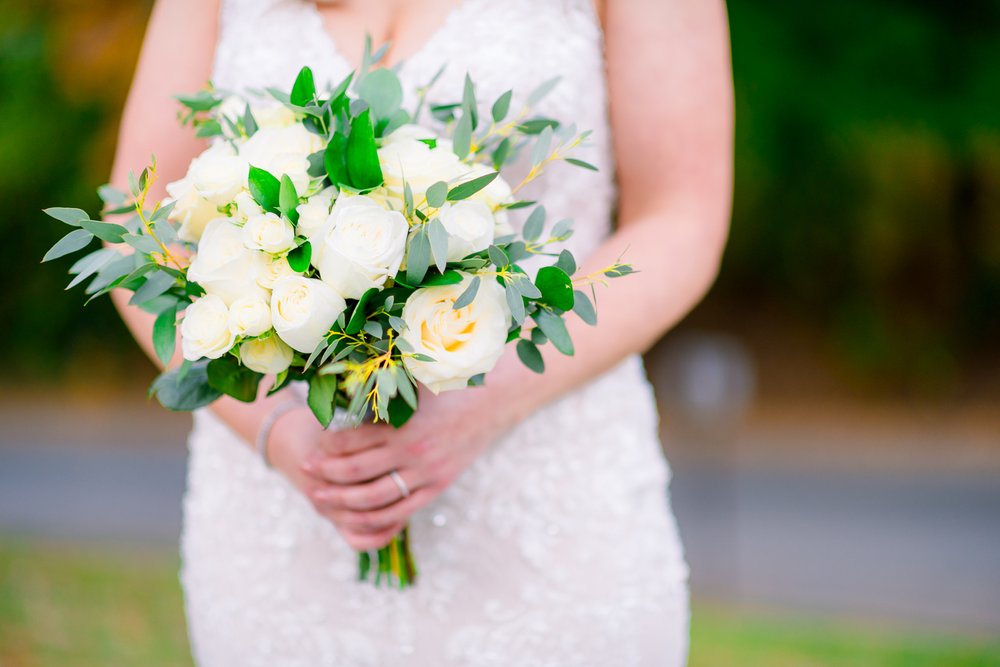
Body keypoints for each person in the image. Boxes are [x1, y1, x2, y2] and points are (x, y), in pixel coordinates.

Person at [109, 0, 733, 664]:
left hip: (548, 501)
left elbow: (682, 216)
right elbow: (134, 222)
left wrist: (488, 400)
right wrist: (278, 429)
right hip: (280, 523)